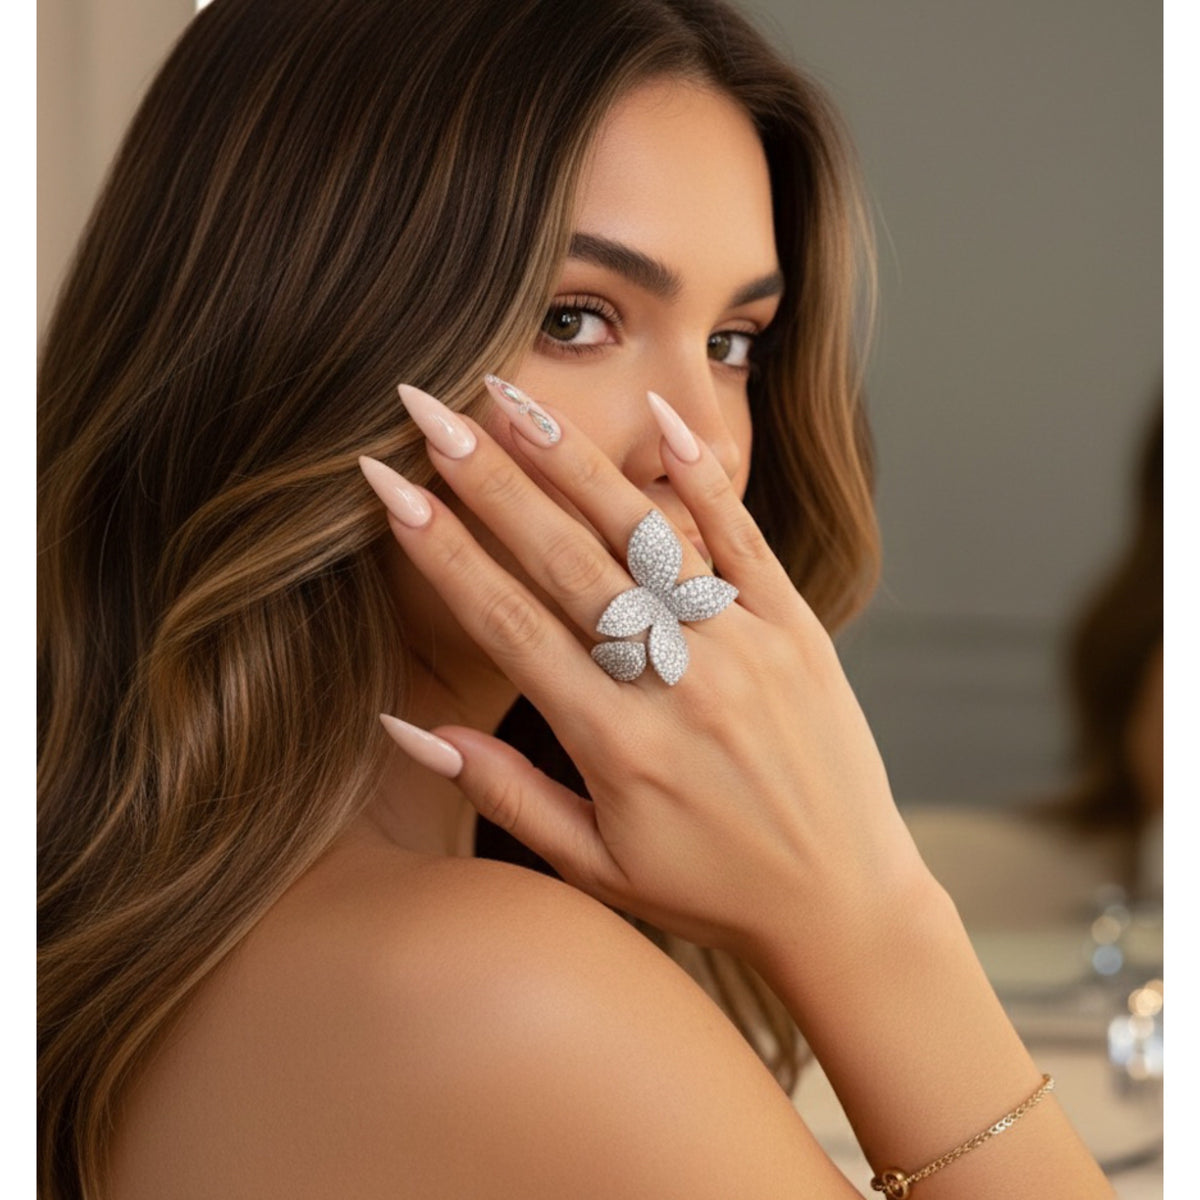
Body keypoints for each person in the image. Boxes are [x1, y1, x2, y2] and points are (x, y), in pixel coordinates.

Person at [37, 0, 1113, 1196]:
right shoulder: (498, 989)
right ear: (296, 335)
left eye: (735, 341)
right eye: (577, 318)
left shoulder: (253, 927)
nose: (701, 450)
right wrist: (867, 917)